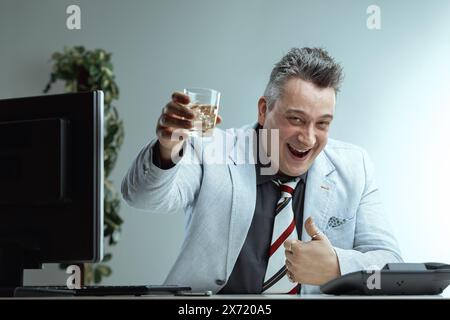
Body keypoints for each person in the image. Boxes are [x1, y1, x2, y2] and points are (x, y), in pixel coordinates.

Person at [121, 47, 402, 294]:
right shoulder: (211, 149)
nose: (308, 138)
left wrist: (338, 266)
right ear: (263, 109)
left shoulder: (355, 167)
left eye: (322, 124)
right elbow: (142, 197)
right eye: (296, 119)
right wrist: (167, 148)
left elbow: (391, 262)